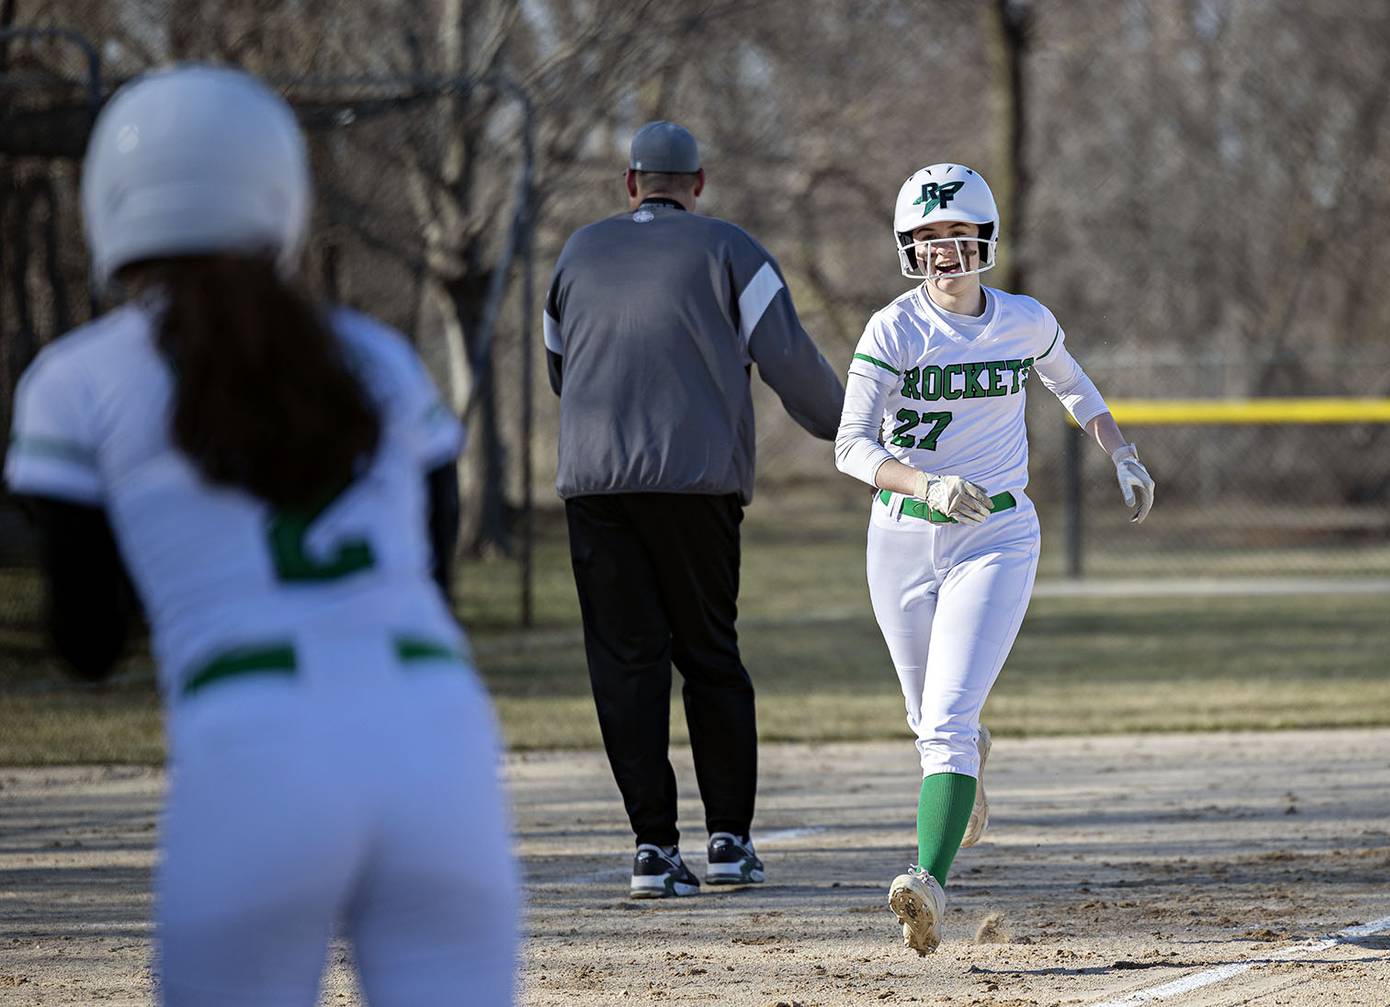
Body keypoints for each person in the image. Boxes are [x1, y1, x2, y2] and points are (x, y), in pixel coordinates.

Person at [4, 66, 518, 1004]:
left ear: (110, 203)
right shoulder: (378, 358)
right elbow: (430, 577)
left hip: (254, 738)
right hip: (437, 731)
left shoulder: (76, 378)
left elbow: (86, 642)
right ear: (280, 194)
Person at [834, 163, 1155, 956]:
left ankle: (926, 882)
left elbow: (1074, 386)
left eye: (956, 235)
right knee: (930, 722)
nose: (943, 251)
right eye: (926, 239)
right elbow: (850, 446)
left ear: (984, 239)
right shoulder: (893, 329)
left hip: (998, 534)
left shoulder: (1023, 319)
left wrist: (1121, 451)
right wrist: (926, 484)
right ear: (909, 248)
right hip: (903, 532)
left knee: (943, 720)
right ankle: (969, 763)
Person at [543, 121, 844, 898]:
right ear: (699, 183)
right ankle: (729, 842)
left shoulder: (577, 252)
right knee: (708, 654)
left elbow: (558, 366)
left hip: (596, 489)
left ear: (631, 183)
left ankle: (652, 847)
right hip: (695, 487)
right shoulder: (730, 249)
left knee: (625, 665)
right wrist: (856, 432)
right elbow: (791, 362)